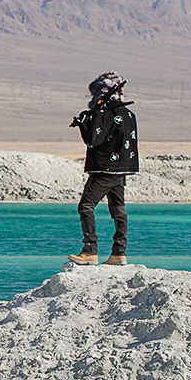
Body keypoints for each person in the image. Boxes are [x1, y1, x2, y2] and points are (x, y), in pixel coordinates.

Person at [69, 72, 138, 266]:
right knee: (118, 209)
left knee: (86, 206)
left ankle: (90, 249)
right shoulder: (129, 114)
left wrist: (83, 126)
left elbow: (93, 141)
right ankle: (119, 253)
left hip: (104, 169)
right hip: (122, 169)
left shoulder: (105, 114)